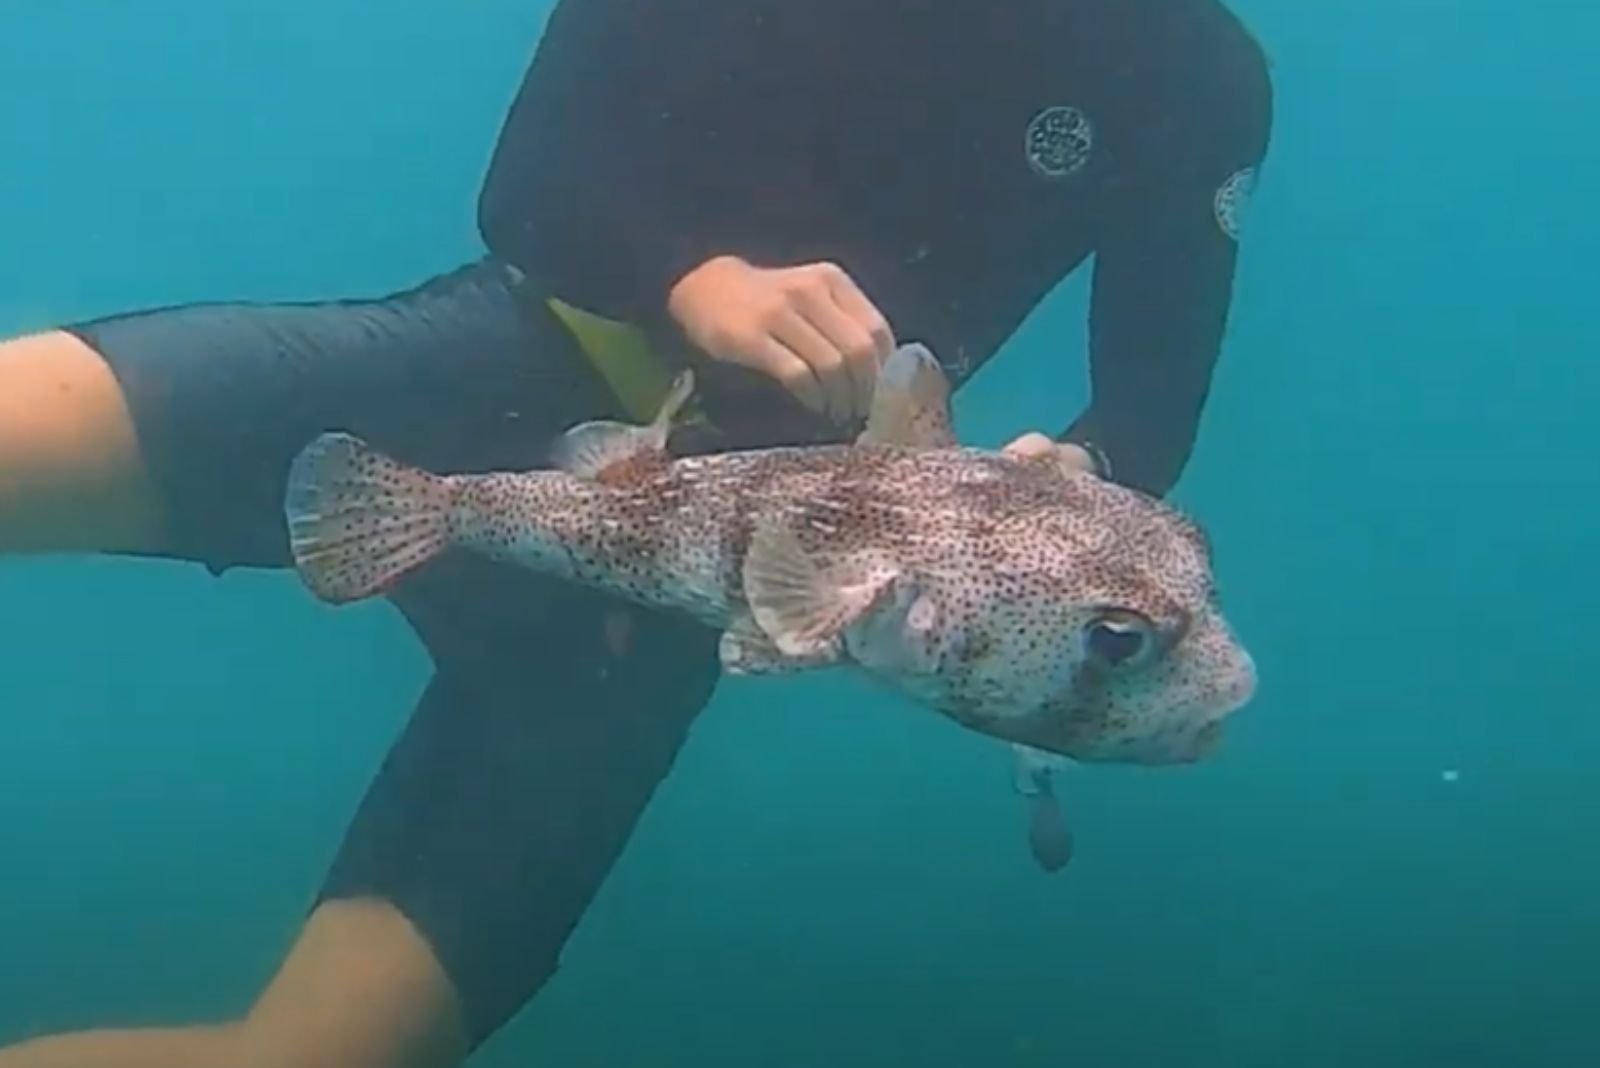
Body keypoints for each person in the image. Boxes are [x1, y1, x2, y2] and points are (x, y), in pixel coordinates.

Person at [0, 0, 1273, 1063]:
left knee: (305, 1059)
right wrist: (696, 282)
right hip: (499, 376)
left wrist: (1079, 478)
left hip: (682, 591)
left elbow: (1152, 401)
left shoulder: (1196, 73)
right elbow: (537, 183)